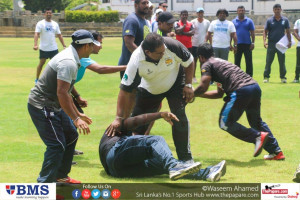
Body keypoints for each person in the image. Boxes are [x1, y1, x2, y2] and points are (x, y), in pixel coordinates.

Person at [108, 33, 194, 162]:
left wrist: (188, 84)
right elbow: (125, 90)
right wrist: (118, 118)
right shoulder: (136, 61)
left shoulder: (172, 46)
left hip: (175, 84)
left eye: (163, 51)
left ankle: (186, 159)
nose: (163, 54)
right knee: (138, 125)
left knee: (179, 116)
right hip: (149, 89)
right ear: (147, 52)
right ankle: (134, 158)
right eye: (159, 53)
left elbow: (189, 62)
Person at [27, 30, 100, 183]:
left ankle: (60, 176)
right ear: (86, 46)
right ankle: (44, 186)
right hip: (42, 105)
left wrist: (78, 115)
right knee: (56, 145)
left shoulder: (73, 56)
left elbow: (65, 92)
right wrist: (75, 117)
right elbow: (62, 94)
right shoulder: (68, 62)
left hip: (53, 104)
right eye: (93, 45)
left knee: (71, 135)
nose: (94, 48)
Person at [193, 43, 285, 160]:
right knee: (256, 122)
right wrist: (198, 95)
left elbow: (203, 86)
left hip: (241, 90)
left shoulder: (206, 64)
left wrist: (192, 93)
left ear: (200, 57)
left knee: (224, 122)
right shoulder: (221, 62)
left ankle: (256, 137)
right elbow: (219, 93)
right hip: (254, 87)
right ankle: (276, 152)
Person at [100, 111, 226, 182]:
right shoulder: (118, 123)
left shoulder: (128, 140)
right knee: (156, 140)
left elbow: (139, 140)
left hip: (118, 171)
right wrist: (159, 115)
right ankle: (174, 166)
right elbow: (137, 120)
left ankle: (206, 173)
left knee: (162, 162)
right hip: (114, 154)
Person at [71, 31, 126, 159]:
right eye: (99, 43)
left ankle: (68, 150)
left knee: (71, 123)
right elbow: (100, 69)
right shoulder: (82, 57)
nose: (101, 46)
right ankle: (64, 155)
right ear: (89, 44)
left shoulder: (83, 57)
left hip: (64, 93)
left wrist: (77, 96)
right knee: (69, 123)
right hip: (56, 96)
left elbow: (68, 82)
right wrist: (127, 67)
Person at [33, 7, 66, 83]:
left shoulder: (55, 24)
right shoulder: (40, 23)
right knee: (41, 63)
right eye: (47, 13)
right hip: (44, 48)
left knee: (57, 65)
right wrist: (35, 44)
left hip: (53, 48)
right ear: (45, 14)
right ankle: (37, 79)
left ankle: (57, 80)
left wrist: (64, 45)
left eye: (50, 13)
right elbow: (37, 34)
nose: (49, 14)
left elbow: (59, 35)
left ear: (52, 14)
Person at [263, 4, 291, 83]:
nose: (277, 11)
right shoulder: (269, 20)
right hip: (271, 43)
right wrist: (264, 41)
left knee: (282, 61)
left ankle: (283, 77)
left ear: (281, 10)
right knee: (268, 61)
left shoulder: (285, 20)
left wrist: (289, 41)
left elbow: (288, 31)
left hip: (281, 44)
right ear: (273, 10)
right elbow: (265, 31)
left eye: (278, 9)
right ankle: (266, 77)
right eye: (275, 9)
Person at [232, 6, 255, 77]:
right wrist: (232, 44)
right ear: (237, 11)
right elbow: (231, 34)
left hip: (247, 44)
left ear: (244, 11)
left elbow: (252, 33)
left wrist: (253, 43)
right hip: (237, 44)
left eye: (242, 10)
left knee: (248, 61)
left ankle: (249, 76)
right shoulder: (233, 21)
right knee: (237, 61)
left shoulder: (249, 21)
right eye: (239, 10)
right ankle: (237, 76)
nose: (241, 12)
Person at [191, 7, 210, 83]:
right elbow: (191, 33)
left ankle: (203, 76)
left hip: (203, 45)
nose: (200, 14)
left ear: (203, 13)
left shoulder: (207, 22)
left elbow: (209, 34)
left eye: (201, 12)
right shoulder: (193, 22)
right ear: (196, 13)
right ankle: (193, 77)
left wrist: (210, 44)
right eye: (199, 12)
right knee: (194, 61)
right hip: (194, 44)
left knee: (203, 62)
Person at [292, 18, 300, 83]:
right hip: (299, 45)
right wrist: (299, 39)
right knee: (298, 63)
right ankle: (296, 78)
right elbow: (294, 32)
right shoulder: (298, 21)